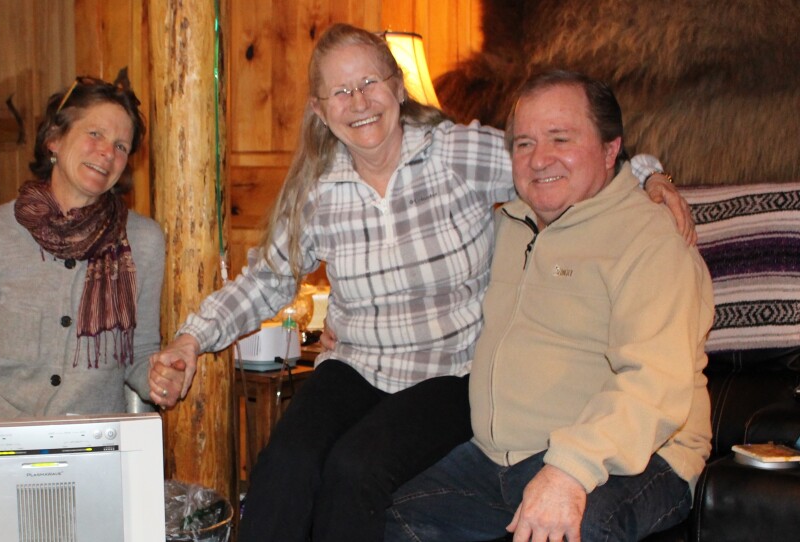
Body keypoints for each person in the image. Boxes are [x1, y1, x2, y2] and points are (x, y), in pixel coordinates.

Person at [148, 24, 692, 542]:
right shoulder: (318, 191)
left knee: (356, 467)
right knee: (284, 463)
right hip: (359, 366)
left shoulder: (458, 153)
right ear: (319, 110)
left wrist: (647, 174)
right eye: (340, 92)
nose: (358, 102)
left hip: (448, 371)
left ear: (397, 87)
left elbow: (550, 159)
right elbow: (264, 281)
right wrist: (191, 339)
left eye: (369, 83)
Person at [384, 70, 714, 542]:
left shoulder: (651, 239)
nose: (539, 159)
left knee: (571, 530)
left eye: (561, 138)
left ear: (610, 149)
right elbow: (437, 291)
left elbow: (654, 382)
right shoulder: (506, 226)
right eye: (523, 144)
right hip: (500, 457)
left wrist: (568, 471)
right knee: (394, 518)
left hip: (637, 455)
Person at [0, 76, 185, 464]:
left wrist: (161, 378)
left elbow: (139, 353)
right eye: (94, 133)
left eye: (120, 146)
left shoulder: (143, 242)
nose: (107, 153)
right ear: (54, 140)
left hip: (94, 451)